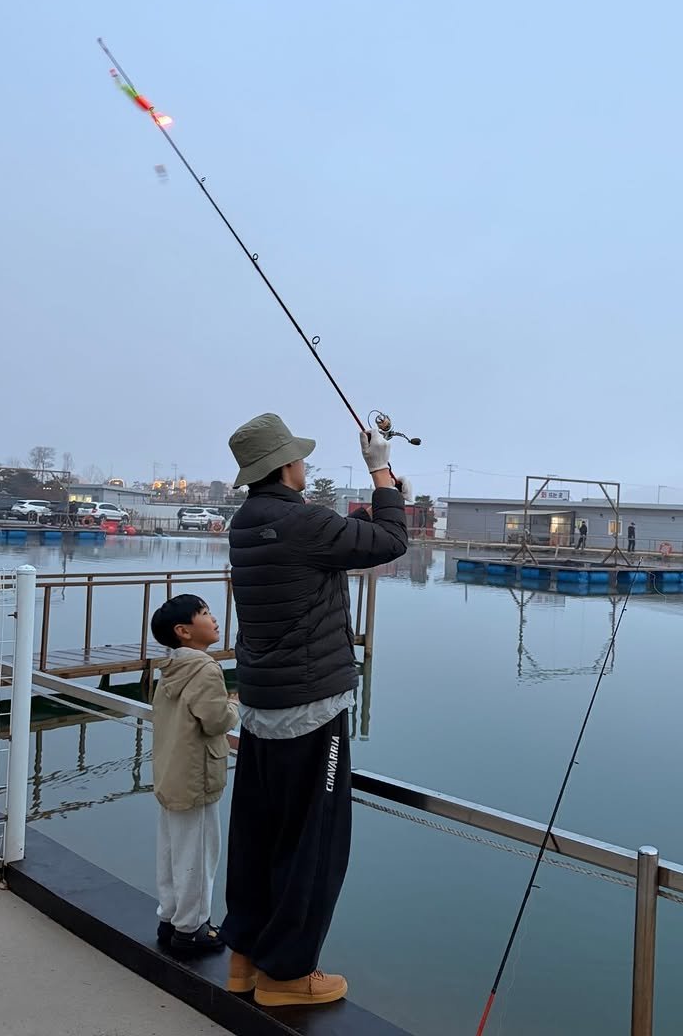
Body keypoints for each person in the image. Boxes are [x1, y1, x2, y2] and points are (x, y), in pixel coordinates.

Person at [220, 413, 408, 1008]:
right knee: (313, 846)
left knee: (259, 833)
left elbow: (333, 542)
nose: (306, 465)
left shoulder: (246, 524)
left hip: (261, 706)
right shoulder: (303, 523)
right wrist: (381, 469)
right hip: (313, 710)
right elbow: (390, 542)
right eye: (299, 457)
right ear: (284, 466)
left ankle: (244, 960)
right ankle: (287, 975)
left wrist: (381, 496)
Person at [149, 594, 238, 956]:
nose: (214, 619)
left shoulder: (171, 668)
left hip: (171, 772)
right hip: (196, 776)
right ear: (184, 631)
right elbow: (216, 720)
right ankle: (192, 929)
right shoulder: (204, 669)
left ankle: (169, 919)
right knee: (199, 855)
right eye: (204, 614)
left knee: (172, 852)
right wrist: (233, 702)